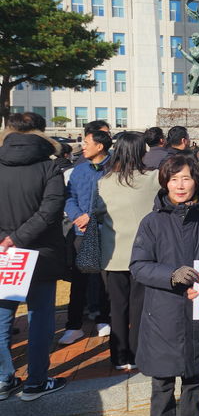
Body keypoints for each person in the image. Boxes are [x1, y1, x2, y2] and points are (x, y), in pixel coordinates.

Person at [129, 155, 199, 416]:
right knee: (162, 383)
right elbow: (138, 265)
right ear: (164, 182)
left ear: (196, 180)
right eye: (173, 179)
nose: (180, 185)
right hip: (163, 314)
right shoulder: (152, 222)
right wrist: (171, 274)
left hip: (198, 310)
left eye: (186, 178)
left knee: (194, 380)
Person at [0, 113, 67, 401]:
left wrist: (7, 241)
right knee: (40, 318)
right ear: (41, 133)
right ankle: (36, 381)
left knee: (2, 319)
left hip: (3, 253)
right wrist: (19, 238)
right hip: (40, 254)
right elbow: (50, 211)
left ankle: (4, 380)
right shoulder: (49, 167)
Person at [96, 132, 160, 370]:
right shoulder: (153, 179)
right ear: (141, 151)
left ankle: (119, 356)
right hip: (145, 254)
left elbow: (98, 212)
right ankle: (137, 353)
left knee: (117, 307)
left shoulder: (104, 182)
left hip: (113, 255)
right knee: (140, 307)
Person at [59, 129, 113, 345]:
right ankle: (73, 326)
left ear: (100, 146)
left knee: (105, 279)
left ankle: (103, 318)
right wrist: (77, 215)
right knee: (79, 280)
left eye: (86, 142)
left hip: (105, 231)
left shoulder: (115, 168)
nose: (83, 146)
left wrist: (91, 218)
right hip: (80, 232)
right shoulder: (79, 170)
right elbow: (69, 197)